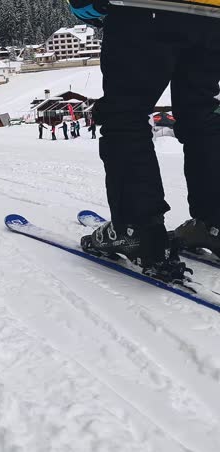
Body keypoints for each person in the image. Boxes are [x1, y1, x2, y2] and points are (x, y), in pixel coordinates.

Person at [68, 0, 220, 282]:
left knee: (125, 115)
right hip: (212, 14)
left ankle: (137, 230)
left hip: (141, 7)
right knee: (203, 117)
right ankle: (214, 222)